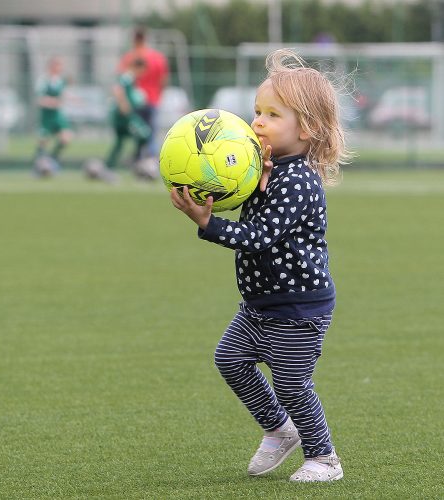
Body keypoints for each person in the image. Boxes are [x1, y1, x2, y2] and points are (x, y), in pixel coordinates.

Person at [170, 48, 350, 482]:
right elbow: (249, 204)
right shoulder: (264, 170)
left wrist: (209, 223)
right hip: (259, 302)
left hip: (298, 307)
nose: (257, 122)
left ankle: (324, 458)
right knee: (230, 360)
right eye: (257, 111)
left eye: (272, 114)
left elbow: (258, 237)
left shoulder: (299, 180)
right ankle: (277, 430)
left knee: (292, 385)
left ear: (307, 128)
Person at [118, 26, 169, 157]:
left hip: (134, 103)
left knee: (139, 133)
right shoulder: (158, 57)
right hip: (152, 100)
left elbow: (121, 80)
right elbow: (163, 80)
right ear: (145, 38)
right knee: (151, 133)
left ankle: (139, 161)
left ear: (134, 39)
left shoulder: (128, 58)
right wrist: (159, 96)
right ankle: (152, 161)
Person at [106, 57, 152, 175]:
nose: (143, 74)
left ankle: (109, 167)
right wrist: (123, 104)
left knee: (120, 142)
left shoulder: (131, 79)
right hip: (124, 116)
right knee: (144, 133)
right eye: (143, 70)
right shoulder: (127, 77)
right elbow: (117, 89)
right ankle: (135, 160)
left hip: (125, 115)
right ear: (138, 67)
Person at [34, 56, 72, 173]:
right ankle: (37, 166)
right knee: (43, 141)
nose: (60, 68)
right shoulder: (43, 80)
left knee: (66, 138)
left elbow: (64, 97)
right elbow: (40, 100)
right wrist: (52, 102)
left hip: (58, 116)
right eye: (58, 65)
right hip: (47, 116)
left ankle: (52, 160)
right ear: (51, 66)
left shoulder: (60, 81)